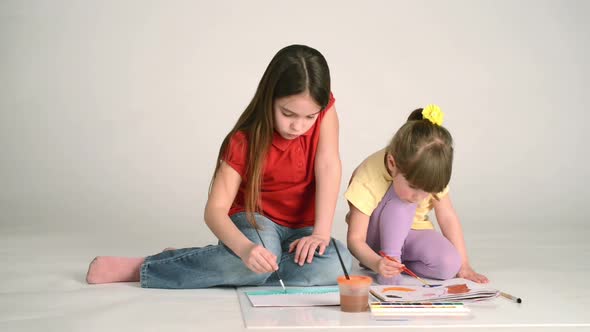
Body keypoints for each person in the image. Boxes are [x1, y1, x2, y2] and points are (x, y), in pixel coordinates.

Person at [86, 44, 352, 288]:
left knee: (337, 262)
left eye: (309, 117)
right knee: (256, 260)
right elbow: (214, 211)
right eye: (288, 114)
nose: (298, 126)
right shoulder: (242, 141)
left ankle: (219, 262)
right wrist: (247, 250)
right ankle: (150, 267)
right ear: (268, 98)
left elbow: (328, 165)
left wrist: (320, 233)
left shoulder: (325, 110)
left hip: (303, 227)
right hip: (256, 222)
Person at [345, 105, 488, 285]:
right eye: (413, 186)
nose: (419, 197)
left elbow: (447, 216)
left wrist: (464, 265)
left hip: (412, 234)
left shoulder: (430, 173)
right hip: (377, 238)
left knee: (449, 265)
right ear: (392, 163)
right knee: (403, 202)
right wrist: (375, 262)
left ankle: (397, 265)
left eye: (427, 190)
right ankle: (390, 265)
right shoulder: (368, 176)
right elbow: (355, 239)